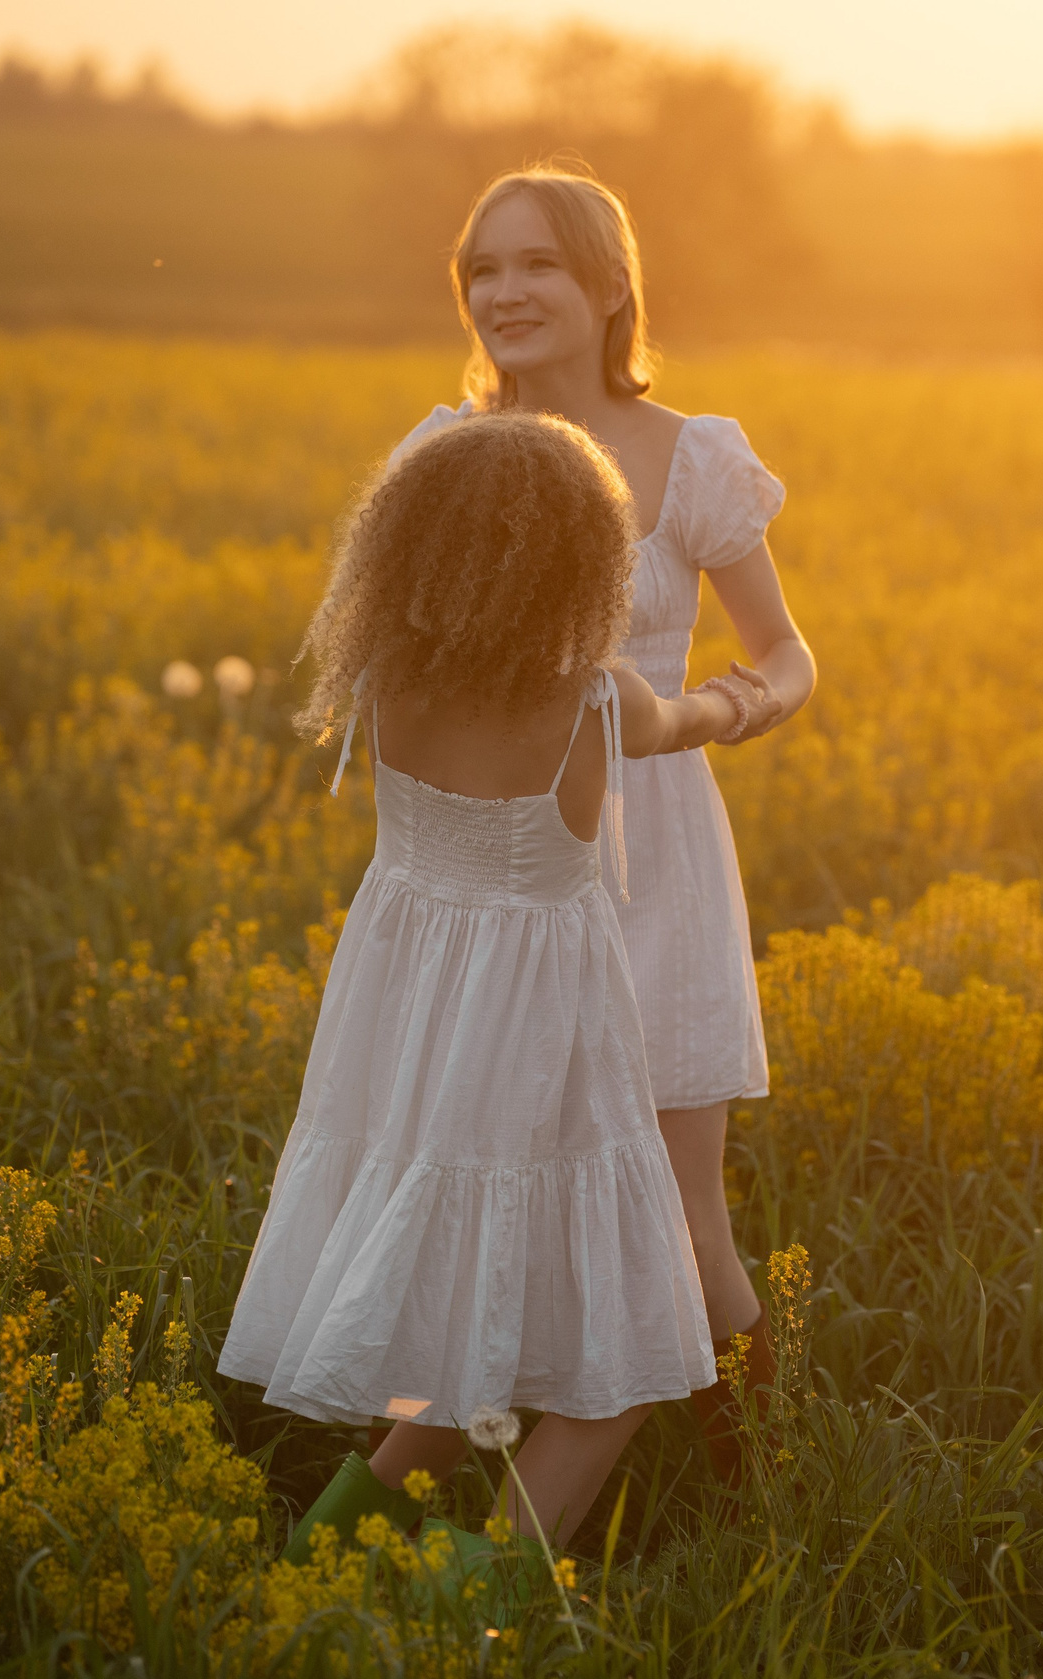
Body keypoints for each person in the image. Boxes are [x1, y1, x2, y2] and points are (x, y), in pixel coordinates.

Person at [217, 408, 751, 1558]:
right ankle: (481, 1602)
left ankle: (325, 1563)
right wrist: (738, 701)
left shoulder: (386, 682)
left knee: (464, 1330)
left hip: (414, 1035)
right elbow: (679, 721)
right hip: (548, 1039)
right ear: (581, 562)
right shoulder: (594, 697)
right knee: (636, 1350)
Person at [390, 167, 816, 1477]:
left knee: (684, 1219)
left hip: (659, 857)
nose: (505, 291)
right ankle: (438, 1484)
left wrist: (711, 713)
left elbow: (787, 652)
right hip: (512, 864)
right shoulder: (442, 455)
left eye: (538, 265)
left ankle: (757, 1478)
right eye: (483, 269)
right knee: (497, 1210)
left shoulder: (689, 455)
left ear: (610, 284)